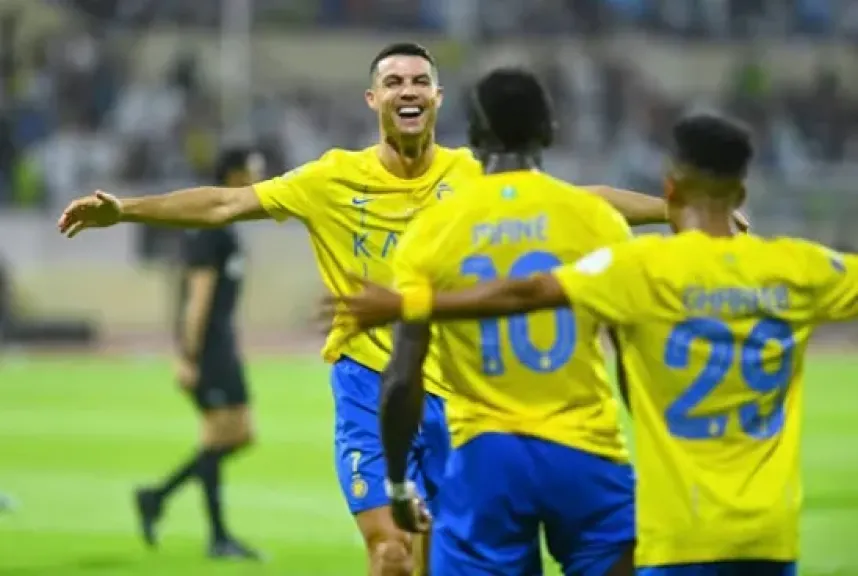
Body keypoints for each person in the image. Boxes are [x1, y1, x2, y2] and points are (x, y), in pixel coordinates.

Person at [59, 42, 697, 576]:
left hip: (457, 400)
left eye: (419, 81)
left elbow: (579, 199)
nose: (407, 90)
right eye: (393, 82)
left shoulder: (472, 174)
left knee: (438, 557)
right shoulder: (331, 178)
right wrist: (126, 210)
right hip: (368, 387)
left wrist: (676, 210)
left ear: (438, 98)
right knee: (390, 552)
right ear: (373, 100)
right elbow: (226, 204)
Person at [327, 113, 850, 576]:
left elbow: (529, 291)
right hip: (770, 534)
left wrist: (409, 304)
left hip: (678, 529)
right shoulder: (798, 268)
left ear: (670, 187)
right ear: (741, 192)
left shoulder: (640, 269)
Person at [365, 66, 637, 576]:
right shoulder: (598, 220)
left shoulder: (433, 230)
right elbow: (631, 358)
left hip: (485, 459)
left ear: (473, 136)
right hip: (587, 452)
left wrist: (399, 483)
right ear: (550, 129)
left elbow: (402, 377)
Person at [135, 147, 263, 560]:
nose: (258, 178)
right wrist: (189, 356)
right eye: (253, 170)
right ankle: (217, 537)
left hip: (221, 343)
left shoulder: (227, 225)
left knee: (238, 434)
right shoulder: (211, 229)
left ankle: (157, 497)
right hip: (209, 348)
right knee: (220, 435)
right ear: (233, 174)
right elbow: (198, 297)